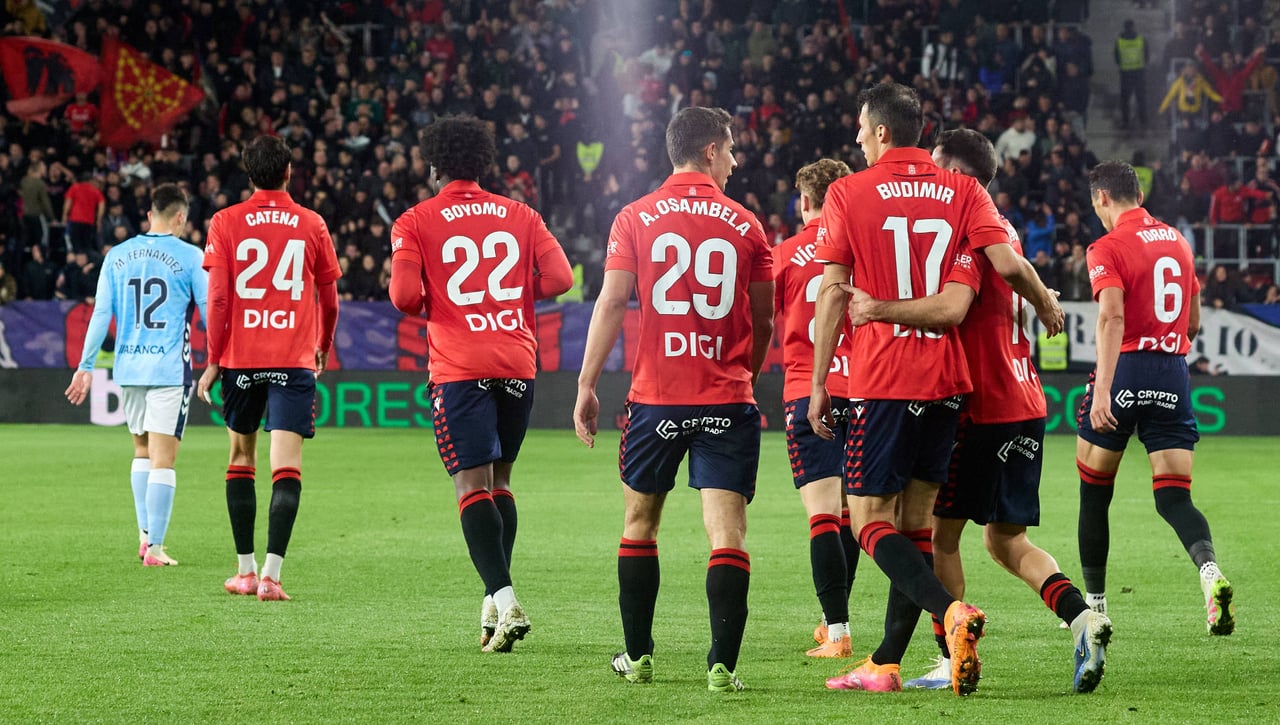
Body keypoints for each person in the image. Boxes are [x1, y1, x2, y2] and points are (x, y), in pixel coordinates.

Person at [809, 82, 1062, 696]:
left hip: (882, 379)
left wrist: (820, 383)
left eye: (864, 131)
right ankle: (886, 665)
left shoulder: (847, 192)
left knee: (869, 522)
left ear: (884, 132)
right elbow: (1001, 268)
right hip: (947, 383)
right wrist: (1045, 299)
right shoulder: (965, 190)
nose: (860, 141)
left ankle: (950, 612)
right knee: (917, 525)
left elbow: (833, 294)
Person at [845, 129, 1112, 694]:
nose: (928, 177)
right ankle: (1083, 618)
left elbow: (984, 287)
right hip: (1027, 401)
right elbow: (1014, 269)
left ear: (955, 171)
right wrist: (1046, 302)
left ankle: (949, 655)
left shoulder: (965, 224)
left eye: (938, 167)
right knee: (1005, 541)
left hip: (980, 405)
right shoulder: (1001, 225)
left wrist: (1044, 301)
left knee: (935, 537)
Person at [573, 106, 774, 692]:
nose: (736, 161)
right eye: (732, 149)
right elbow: (762, 317)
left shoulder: (634, 217)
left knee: (640, 524)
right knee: (728, 534)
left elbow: (611, 304)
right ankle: (722, 668)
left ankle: (638, 658)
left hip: (657, 399)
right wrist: (747, 371)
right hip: (726, 397)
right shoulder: (746, 224)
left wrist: (586, 384)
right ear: (710, 150)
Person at [388, 116, 572, 653]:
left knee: (471, 488)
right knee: (501, 483)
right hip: (516, 361)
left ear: (433, 165)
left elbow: (402, 298)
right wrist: (509, 298)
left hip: (460, 367)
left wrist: (443, 302)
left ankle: (507, 597)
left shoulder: (416, 219)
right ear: (484, 162)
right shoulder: (522, 214)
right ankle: (493, 603)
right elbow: (560, 280)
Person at [1076, 161, 1234, 638]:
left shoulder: (1106, 246)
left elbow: (1110, 318)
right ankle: (1210, 575)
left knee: (1094, 492)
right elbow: (1193, 325)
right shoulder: (1178, 242)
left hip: (1127, 370)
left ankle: (1095, 608)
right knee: (1173, 498)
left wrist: (1104, 387)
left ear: (1102, 197)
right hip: (1172, 373)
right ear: (1138, 192)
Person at [196, 135, 341, 602]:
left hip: (241, 359)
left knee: (241, 459)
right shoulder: (311, 222)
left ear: (248, 173)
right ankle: (272, 577)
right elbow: (330, 297)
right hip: (293, 359)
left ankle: (243, 571)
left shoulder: (225, 221)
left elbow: (218, 298)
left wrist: (214, 359)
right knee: (287, 468)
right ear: (288, 172)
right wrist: (323, 344)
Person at [64, 183, 208, 567]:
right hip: (168, 369)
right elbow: (211, 314)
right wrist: (221, 359)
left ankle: (145, 538)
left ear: (149, 215)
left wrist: (86, 366)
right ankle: (157, 548)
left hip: (128, 367)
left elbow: (99, 314)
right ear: (180, 217)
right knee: (165, 459)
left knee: (141, 451)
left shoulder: (118, 255)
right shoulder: (193, 257)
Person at [772, 158, 859, 659]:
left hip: (810, 389)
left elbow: (765, 321)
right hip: (864, 388)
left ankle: (839, 630)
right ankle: (832, 623)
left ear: (803, 201)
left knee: (824, 516)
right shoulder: (860, 251)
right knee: (854, 514)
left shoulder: (784, 255)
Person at [1115, 19, 1148, 129]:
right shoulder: (1140, 39)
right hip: (1139, 72)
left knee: (1125, 100)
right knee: (1141, 98)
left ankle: (1125, 121)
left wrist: (1122, 65)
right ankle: (1143, 121)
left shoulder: (1119, 40)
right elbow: (1146, 54)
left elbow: (1116, 56)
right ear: (1133, 26)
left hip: (1125, 73)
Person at [62, 172, 105, 254]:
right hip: (88, 222)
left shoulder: (74, 188)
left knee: (75, 245)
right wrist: (98, 220)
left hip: (75, 221)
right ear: (90, 180)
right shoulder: (94, 190)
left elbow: (68, 202)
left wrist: (64, 215)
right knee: (86, 246)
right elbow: (101, 204)